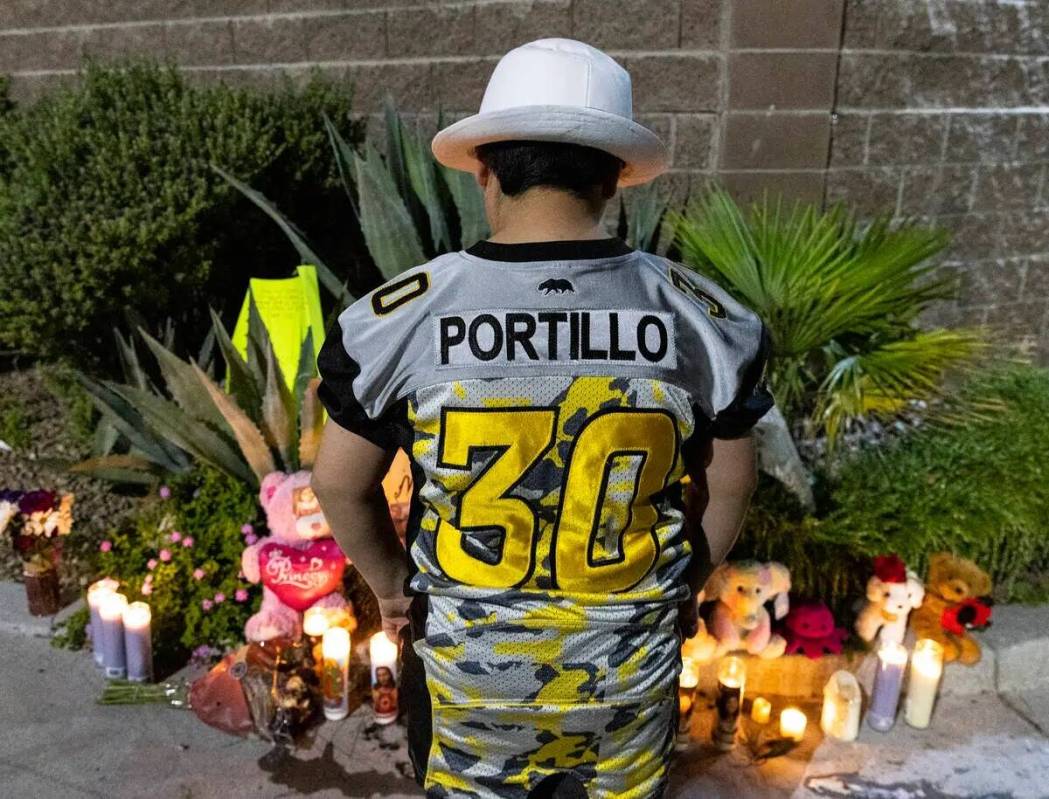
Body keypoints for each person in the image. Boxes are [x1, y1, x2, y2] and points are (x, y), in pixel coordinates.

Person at [311, 37, 773, 799]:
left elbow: (338, 484)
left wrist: (394, 589)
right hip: (624, 672)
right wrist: (684, 584)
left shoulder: (399, 317)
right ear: (617, 179)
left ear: (484, 171)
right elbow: (729, 485)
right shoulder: (701, 318)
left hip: (471, 682)